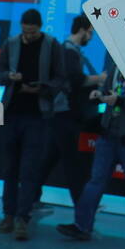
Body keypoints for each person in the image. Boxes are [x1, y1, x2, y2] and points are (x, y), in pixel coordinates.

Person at [0, 9, 66, 240]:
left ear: (40, 28)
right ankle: (8, 214)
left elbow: (61, 79)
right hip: (12, 112)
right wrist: (9, 78)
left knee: (29, 170)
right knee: (10, 168)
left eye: (32, 32)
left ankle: (23, 218)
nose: (28, 36)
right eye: (25, 31)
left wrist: (42, 89)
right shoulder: (11, 43)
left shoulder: (52, 45)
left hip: (38, 115)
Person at [59, 57, 125, 241]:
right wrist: (99, 94)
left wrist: (119, 101)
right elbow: (107, 88)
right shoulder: (113, 64)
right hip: (107, 132)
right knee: (96, 180)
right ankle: (82, 226)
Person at [38, 15, 105, 228]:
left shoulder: (70, 51)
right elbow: (76, 80)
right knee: (73, 166)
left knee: (49, 158)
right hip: (65, 115)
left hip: (64, 115)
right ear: (83, 30)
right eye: (90, 32)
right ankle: (82, 207)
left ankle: (29, 199)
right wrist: (101, 78)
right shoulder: (69, 51)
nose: (91, 37)